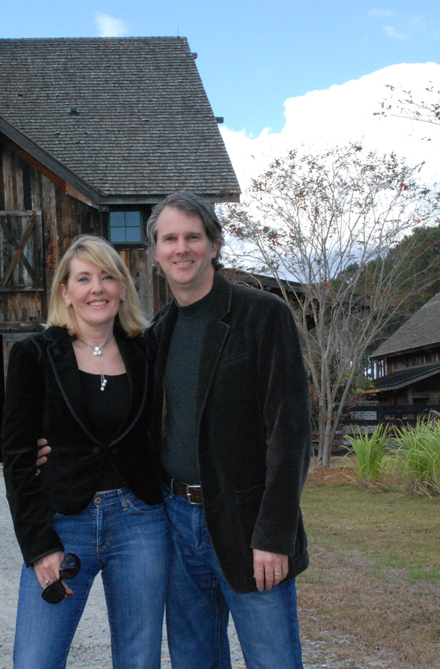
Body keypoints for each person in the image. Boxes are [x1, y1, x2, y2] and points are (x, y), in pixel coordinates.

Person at [146, 191, 312, 668]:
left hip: (247, 525)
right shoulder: (159, 332)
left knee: (273, 660)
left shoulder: (263, 316)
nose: (182, 248)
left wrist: (275, 535)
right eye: (170, 239)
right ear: (156, 252)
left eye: (193, 237)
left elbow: (291, 432)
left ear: (214, 245)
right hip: (178, 526)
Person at [2, 235, 169, 669]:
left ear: (122, 289)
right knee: (35, 661)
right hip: (63, 522)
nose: (97, 288)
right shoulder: (33, 355)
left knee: (139, 660)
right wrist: (39, 546)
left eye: (107, 277)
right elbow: (18, 458)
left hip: (140, 524)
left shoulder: (147, 350)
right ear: (65, 292)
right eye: (84, 278)